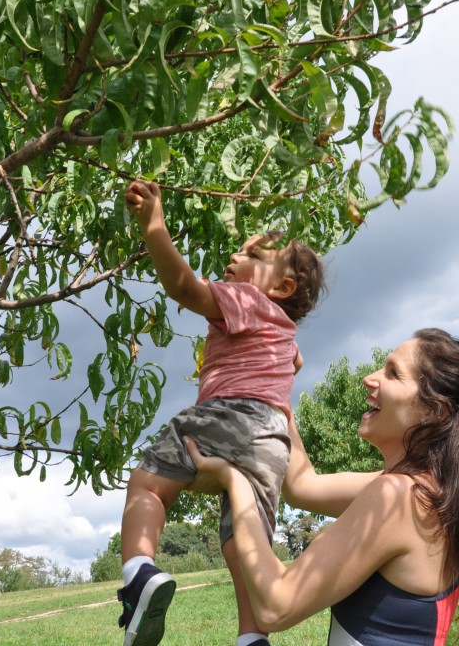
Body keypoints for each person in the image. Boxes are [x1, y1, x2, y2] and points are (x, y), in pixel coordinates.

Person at [187, 328, 459, 644]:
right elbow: (302, 486)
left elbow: (276, 605)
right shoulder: (432, 492)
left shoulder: (399, 497)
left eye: (392, 373)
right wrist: (276, 386)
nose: (369, 378)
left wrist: (236, 481)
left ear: (434, 412)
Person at [116, 180, 325, 646]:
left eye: (251, 256)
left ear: (281, 286)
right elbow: (293, 363)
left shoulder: (249, 301)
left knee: (147, 485)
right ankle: (252, 637)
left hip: (230, 414)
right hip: (273, 440)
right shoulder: (286, 336)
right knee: (243, 541)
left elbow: (184, 287)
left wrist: (154, 224)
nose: (235, 257)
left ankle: (138, 574)